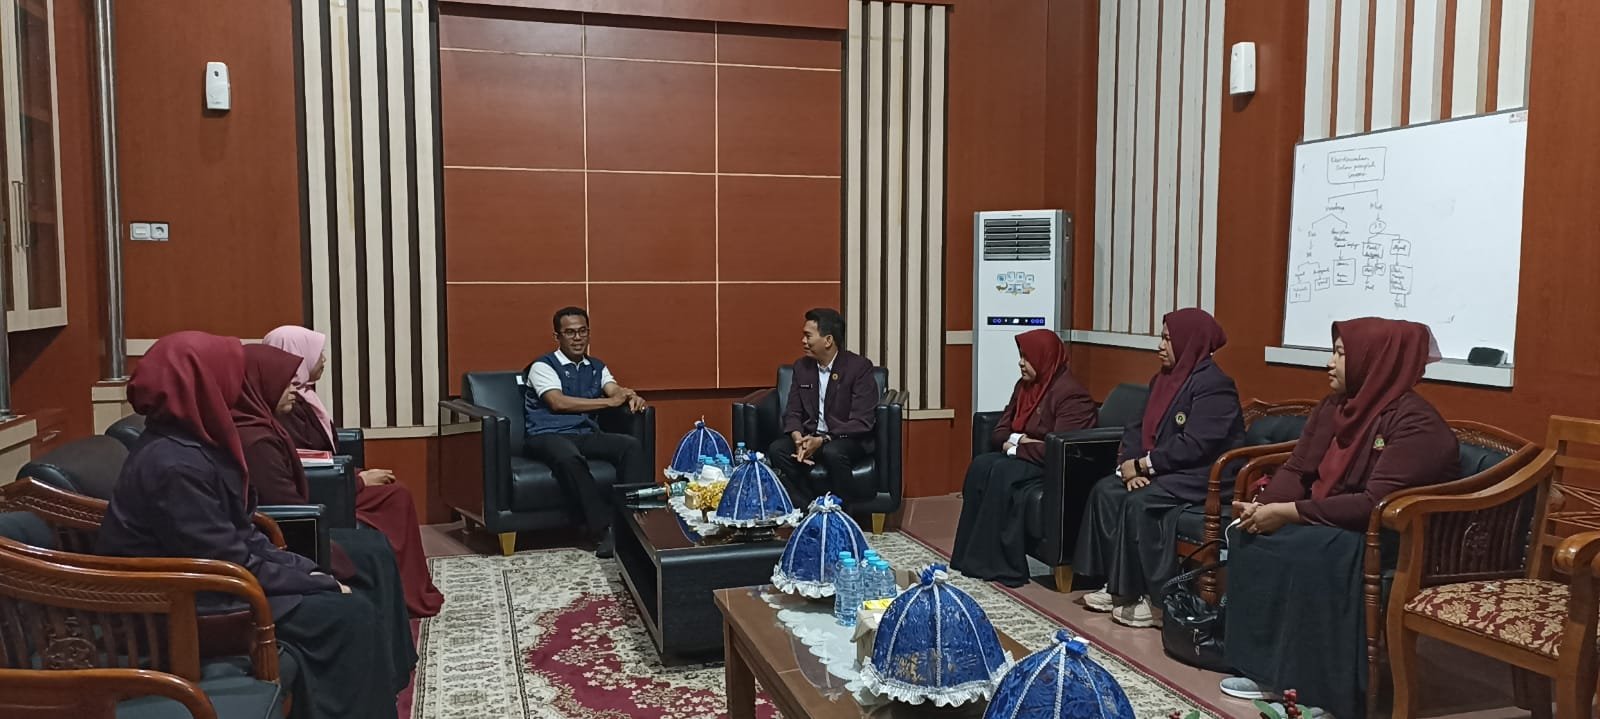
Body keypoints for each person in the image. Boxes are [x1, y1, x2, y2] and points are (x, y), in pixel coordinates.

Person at [96, 331, 401, 719]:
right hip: (182, 605)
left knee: (345, 602)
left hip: (210, 586)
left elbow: (240, 537)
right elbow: (225, 556)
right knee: (349, 615)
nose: (238, 386)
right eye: (230, 376)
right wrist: (314, 581)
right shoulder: (175, 465)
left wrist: (307, 570)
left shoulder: (189, 445)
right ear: (205, 384)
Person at [1220, 318, 1458, 719]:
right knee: (1251, 537)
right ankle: (1265, 671)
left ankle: (1318, 690)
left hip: (1388, 535)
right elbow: (1298, 469)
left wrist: (1290, 513)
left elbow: (1373, 504)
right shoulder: (1336, 407)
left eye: (1341, 354)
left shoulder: (1415, 423)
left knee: (1309, 552)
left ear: (1375, 361)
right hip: (1333, 518)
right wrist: (1264, 509)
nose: (1329, 363)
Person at [233, 344, 418, 689]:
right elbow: (274, 514)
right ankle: (383, 676)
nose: (294, 386)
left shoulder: (262, 425)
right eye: (285, 379)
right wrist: (311, 576)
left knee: (375, 547)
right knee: (364, 572)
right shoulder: (253, 440)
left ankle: (394, 666)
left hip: (280, 536)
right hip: (282, 541)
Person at [1074, 307, 1244, 627]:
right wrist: (1128, 467)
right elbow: (1136, 428)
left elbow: (1196, 445)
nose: (1160, 346)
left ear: (1189, 342)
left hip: (1201, 475)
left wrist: (1144, 466)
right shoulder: (1162, 379)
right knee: (1107, 491)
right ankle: (1117, 586)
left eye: (1167, 339)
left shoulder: (1214, 385)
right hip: (1166, 469)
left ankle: (1155, 600)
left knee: (1141, 502)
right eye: (1162, 338)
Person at [262, 324, 446, 616]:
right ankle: (406, 594)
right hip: (319, 488)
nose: (323, 360)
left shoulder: (303, 396)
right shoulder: (285, 406)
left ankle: (407, 590)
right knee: (396, 496)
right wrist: (357, 480)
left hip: (329, 477)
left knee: (394, 491)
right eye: (317, 353)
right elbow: (301, 461)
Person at [951, 329, 1097, 587]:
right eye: (1020, 356)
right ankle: (969, 558)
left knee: (1002, 472)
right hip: (1028, 456)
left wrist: (1016, 446)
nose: (1021, 363)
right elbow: (999, 432)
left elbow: (1059, 448)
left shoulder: (1071, 395)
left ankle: (999, 564)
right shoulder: (1024, 387)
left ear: (1044, 358)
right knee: (981, 466)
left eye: (1027, 358)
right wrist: (1022, 441)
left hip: (1055, 468)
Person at [519, 307, 648, 558]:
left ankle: (631, 522)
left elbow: (613, 390)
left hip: (583, 433)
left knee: (630, 445)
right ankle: (604, 528)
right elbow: (558, 402)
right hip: (546, 434)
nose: (577, 338)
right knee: (569, 457)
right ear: (557, 336)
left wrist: (630, 395)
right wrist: (610, 402)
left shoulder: (596, 366)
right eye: (570, 332)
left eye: (582, 331)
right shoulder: (542, 366)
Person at [767, 308, 880, 505]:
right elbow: (793, 411)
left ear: (828, 340)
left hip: (846, 439)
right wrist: (798, 438)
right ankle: (810, 505)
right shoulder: (802, 367)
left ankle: (843, 512)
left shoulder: (859, 368)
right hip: (811, 436)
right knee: (778, 450)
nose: (803, 341)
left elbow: (862, 421)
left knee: (832, 452)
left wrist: (823, 439)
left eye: (808, 336)